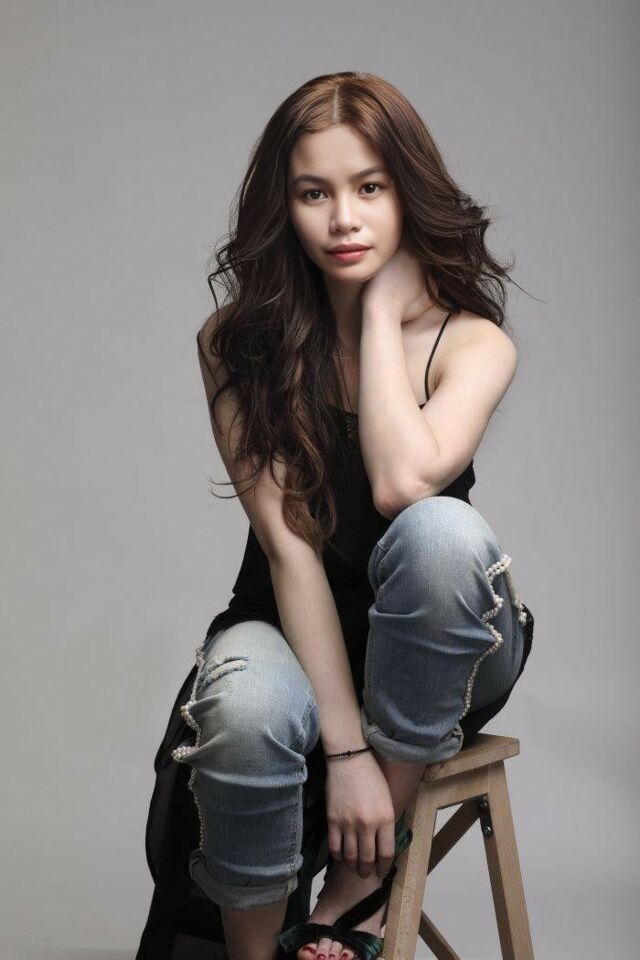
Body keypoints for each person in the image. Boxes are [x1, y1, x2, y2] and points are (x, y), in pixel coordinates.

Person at [142, 71, 534, 960]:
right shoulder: (235, 344)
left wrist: (383, 308)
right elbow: (290, 550)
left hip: (441, 636)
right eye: (314, 193)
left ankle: (360, 884)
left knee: (441, 531)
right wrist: (346, 752)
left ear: (407, 191)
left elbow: (402, 486)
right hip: (293, 616)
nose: (344, 219)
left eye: (370, 187)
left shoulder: (473, 342)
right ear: (284, 208)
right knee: (244, 706)